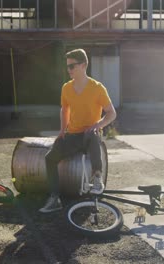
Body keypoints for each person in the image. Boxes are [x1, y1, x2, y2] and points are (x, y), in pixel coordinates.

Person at [39, 49, 117, 213]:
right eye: (67, 67)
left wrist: (98, 125)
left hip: (90, 136)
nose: (69, 70)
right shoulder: (66, 88)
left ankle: (97, 178)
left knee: (92, 134)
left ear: (83, 65)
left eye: (72, 66)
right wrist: (62, 130)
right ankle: (54, 198)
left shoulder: (97, 88)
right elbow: (64, 110)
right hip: (73, 136)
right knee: (49, 158)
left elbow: (111, 113)